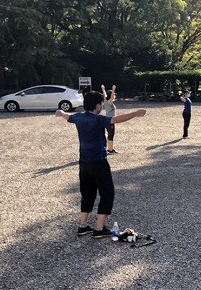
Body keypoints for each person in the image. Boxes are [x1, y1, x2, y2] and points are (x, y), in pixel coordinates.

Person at [55, 91, 147, 238]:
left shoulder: (79, 117)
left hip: (84, 163)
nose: (102, 106)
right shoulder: (98, 119)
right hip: (98, 162)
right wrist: (135, 113)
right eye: (101, 104)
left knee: (87, 193)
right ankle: (99, 228)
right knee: (107, 193)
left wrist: (60, 112)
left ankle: (83, 226)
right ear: (97, 105)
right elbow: (116, 119)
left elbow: (67, 116)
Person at [100, 84, 118, 154]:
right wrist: (113, 90)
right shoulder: (109, 102)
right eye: (114, 95)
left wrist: (103, 89)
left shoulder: (106, 101)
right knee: (111, 135)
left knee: (110, 135)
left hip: (107, 120)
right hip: (110, 121)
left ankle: (110, 149)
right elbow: (112, 97)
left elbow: (105, 95)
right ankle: (110, 150)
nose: (115, 96)